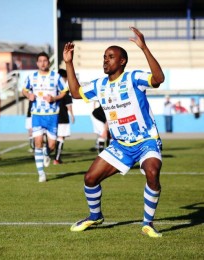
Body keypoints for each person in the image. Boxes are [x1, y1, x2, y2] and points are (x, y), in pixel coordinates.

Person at [63, 26, 165, 238]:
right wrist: (68, 62)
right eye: (104, 57)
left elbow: (158, 79)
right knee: (90, 178)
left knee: (152, 173)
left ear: (122, 61)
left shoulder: (133, 78)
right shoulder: (99, 85)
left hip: (146, 140)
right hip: (120, 145)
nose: (105, 60)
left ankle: (148, 223)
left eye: (111, 57)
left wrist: (144, 48)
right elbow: (74, 93)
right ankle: (95, 216)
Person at [22, 52, 68, 182]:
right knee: (37, 143)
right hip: (37, 114)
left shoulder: (56, 76)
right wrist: (28, 95)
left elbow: (64, 91)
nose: (42, 63)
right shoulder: (32, 77)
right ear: (37, 63)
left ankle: (47, 154)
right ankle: (41, 173)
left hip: (52, 115)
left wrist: (54, 98)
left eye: (45, 61)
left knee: (52, 145)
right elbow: (24, 90)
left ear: (49, 62)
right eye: (40, 61)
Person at [53, 69, 75, 165]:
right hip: (62, 117)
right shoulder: (65, 90)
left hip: (52, 117)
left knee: (53, 138)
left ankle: (54, 157)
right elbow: (68, 105)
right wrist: (72, 115)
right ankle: (56, 159)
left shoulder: (53, 89)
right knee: (61, 137)